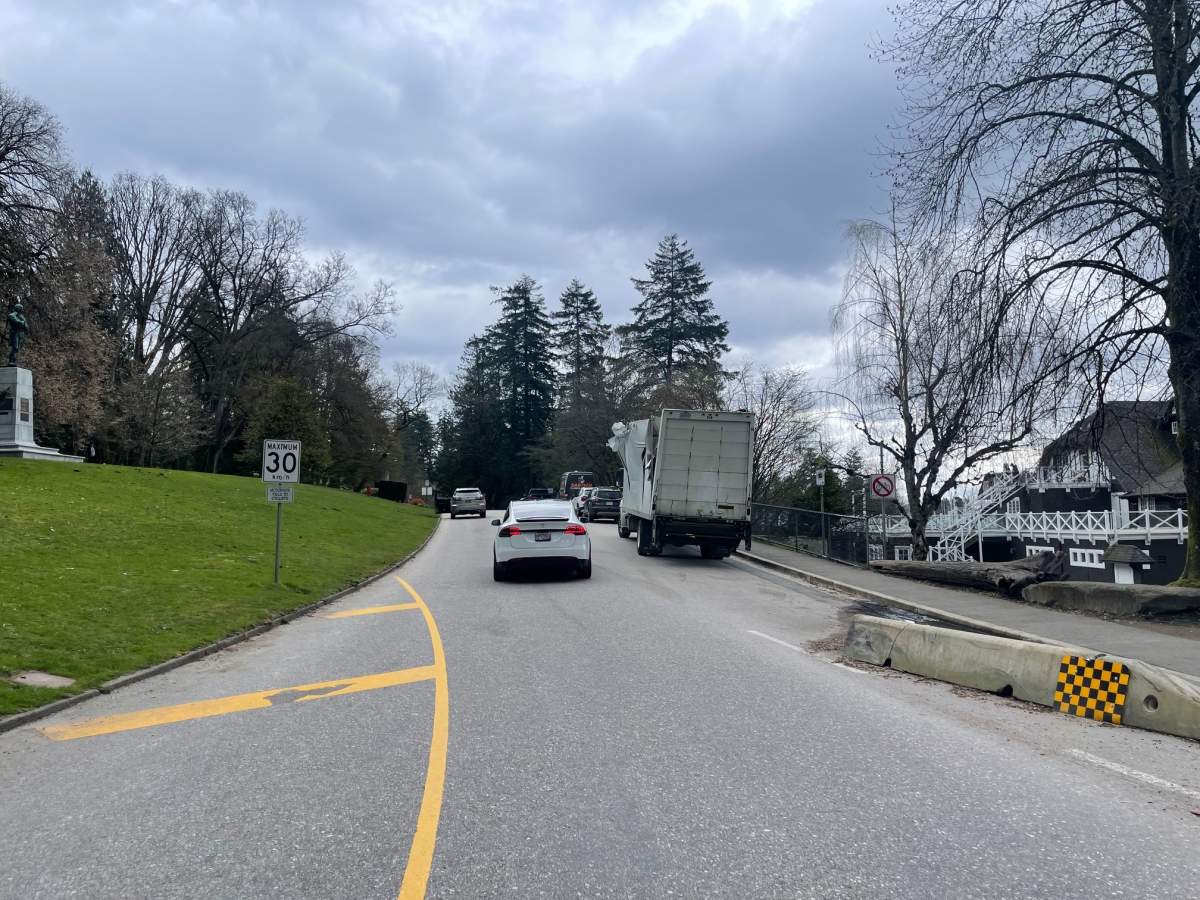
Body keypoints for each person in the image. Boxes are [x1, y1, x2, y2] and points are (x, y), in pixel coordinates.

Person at [6, 302, 29, 366]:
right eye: (21, 308)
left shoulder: (21, 316)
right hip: (15, 332)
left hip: (21, 333)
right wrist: (21, 323)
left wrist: (24, 324)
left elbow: (26, 325)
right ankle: (11, 360)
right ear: (17, 308)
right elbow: (15, 320)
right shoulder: (12, 314)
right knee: (15, 347)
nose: (22, 310)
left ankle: (13, 360)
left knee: (18, 348)